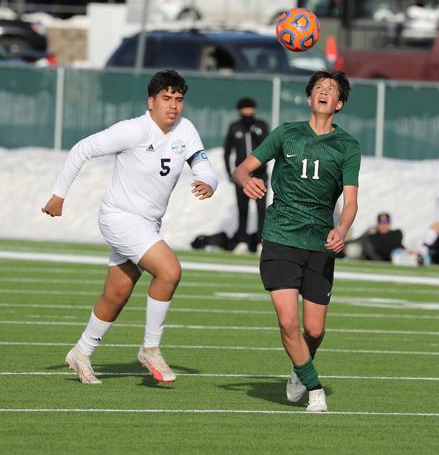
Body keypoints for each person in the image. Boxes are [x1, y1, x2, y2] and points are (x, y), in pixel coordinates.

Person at [41, 69, 218, 385]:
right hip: (119, 216)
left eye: (178, 99)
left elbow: (204, 166)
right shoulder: (133, 130)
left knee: (116, 294)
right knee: (169, 271)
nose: (173, 106)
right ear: (151, 101)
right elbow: (82, 148)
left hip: (148, 223)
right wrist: (58, 195)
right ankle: (150, 348)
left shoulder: (186, 130)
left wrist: (208, 181)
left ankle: (81, 353)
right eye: (166, 99)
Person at [232, 70, 360, 413]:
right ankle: (315, 390)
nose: (324, 92)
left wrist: (342, 229)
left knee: (313, 330)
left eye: (331, 90)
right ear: (309, 98)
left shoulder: (347, 146)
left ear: (339, 103)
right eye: (318, 88)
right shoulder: (286, 134)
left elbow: (350, 201)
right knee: (288, 322)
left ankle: (300, 368)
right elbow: (242, 168)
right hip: (280, 237)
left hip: (320, 242)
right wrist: (246, 180)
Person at [224, 97, 269, 253]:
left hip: (260, 175)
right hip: (241, 177)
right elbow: (227, 151)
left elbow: (268, 146)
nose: (248, 112)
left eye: (250, 108)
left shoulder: (261, 126)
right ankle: (242, 240)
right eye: (245, 109)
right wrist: (230, 173)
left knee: (261, 210)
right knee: (242, 209)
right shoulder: (235, 127)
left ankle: (260, 241)